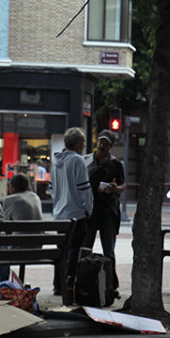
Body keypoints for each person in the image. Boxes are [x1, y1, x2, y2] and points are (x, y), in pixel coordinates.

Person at [0, 173, 43, 283]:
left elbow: (4, 226)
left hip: (20, 249)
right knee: (2, 243)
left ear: (13, 187)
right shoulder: (35, 197)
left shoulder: (10, 199)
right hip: (38, 249)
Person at [82, 130, 126, 296]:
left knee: (109, 251)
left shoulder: (116, 164)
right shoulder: (86, 160)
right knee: (85, 248)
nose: (102, 145)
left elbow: (123, 185)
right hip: (90, 211)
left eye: (106, 143)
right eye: (101, 141)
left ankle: (111, 285)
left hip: (109, 211)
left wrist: (115, 189)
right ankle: (82, 283)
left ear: (111, 147)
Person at [52, 126, 94, 296]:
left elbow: (52, 188)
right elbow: (85, 189)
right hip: (76, 214)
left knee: (61, 251)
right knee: (74, 251)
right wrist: (89, 209)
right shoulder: (77, 160)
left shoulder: (55, 162)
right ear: (77, 143)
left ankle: (58, 284)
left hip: (59, 214)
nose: (84, 145)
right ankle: (69, 286)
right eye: (83, 142)